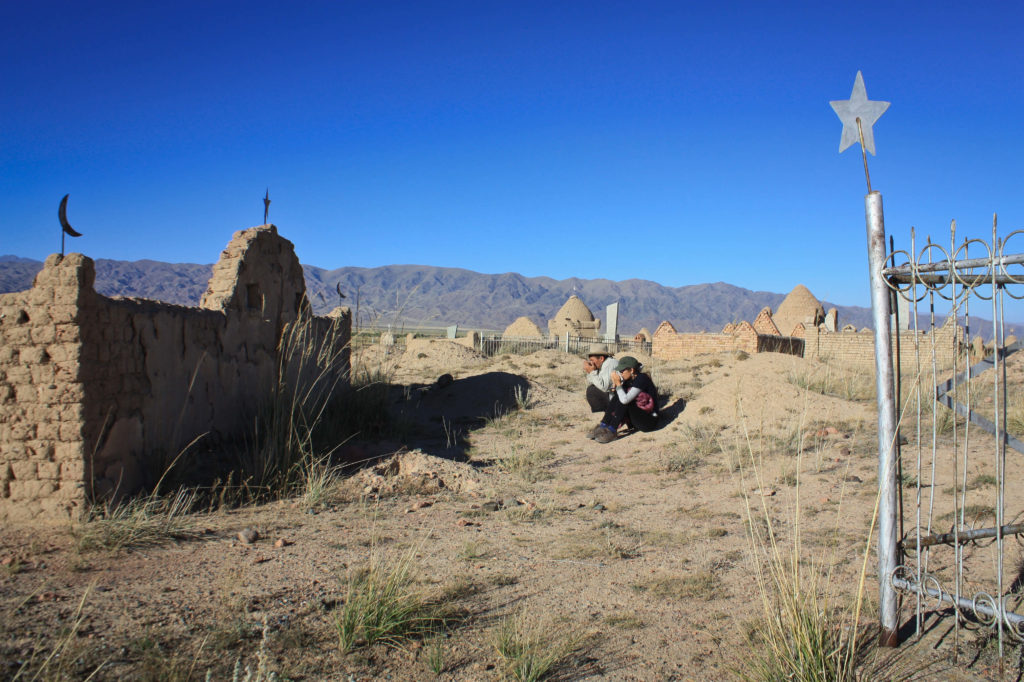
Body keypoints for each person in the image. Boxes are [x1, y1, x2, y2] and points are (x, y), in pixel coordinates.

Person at [590, 356, 659, 443]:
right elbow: (614, 401)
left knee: (625, 398)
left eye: (622, 371)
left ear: (632, 370)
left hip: (648, 422)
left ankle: (612, 430)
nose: (620, 373)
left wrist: (619, 385)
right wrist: (615, 386)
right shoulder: (629, 379)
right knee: (619, 395)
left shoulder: (642, 379)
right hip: (638, 418)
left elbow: (624, 400)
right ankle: (604, 425)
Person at [583, 343, 619, 414]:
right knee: (592, 388)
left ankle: (602, 413)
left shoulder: (609, 363)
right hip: (614, 395)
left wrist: (592, 372)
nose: (591, 363)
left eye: (592, 360)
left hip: (619, 398)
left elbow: (604, 387)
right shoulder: (602, 365)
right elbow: (591, 383)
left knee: (592, 391)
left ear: (601, 358)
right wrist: (590, 372)